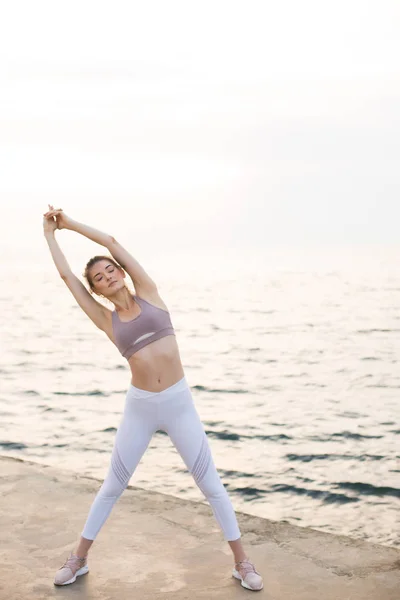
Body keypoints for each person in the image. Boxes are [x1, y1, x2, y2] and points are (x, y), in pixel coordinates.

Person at [43, 204, 263, 592]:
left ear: (122, 273)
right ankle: (78, 559)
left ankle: (242, 562)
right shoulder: (104, 319)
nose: (107, 276)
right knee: (113, 484)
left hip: (178, 403)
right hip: (142, 406)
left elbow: (111, 241)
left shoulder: (149, 294)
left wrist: (71, 224)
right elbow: (66, 277)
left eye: (110, 269)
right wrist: (50, 235)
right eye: (98, 277)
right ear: (95, 289)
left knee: (211, 485)